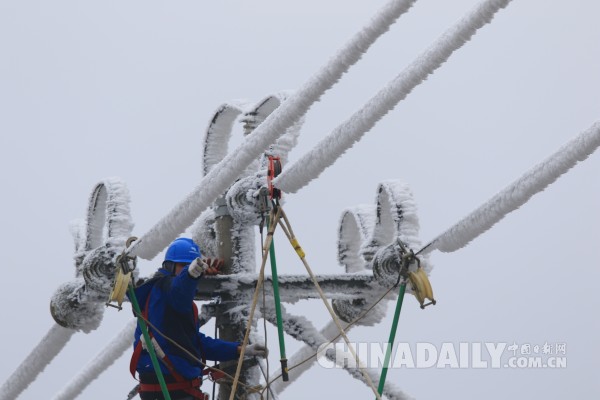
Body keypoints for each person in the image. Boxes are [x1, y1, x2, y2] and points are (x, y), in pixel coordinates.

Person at [130, 238, 267, 400]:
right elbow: (179, 287)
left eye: (189, 265)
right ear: (169, 266)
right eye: (183, 265)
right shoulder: (165, 289)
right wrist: (191, 273)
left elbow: (194, 342)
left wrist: (238, 350)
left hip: (168, 388)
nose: (187, 269)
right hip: (173, 389)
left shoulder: (162, 297)